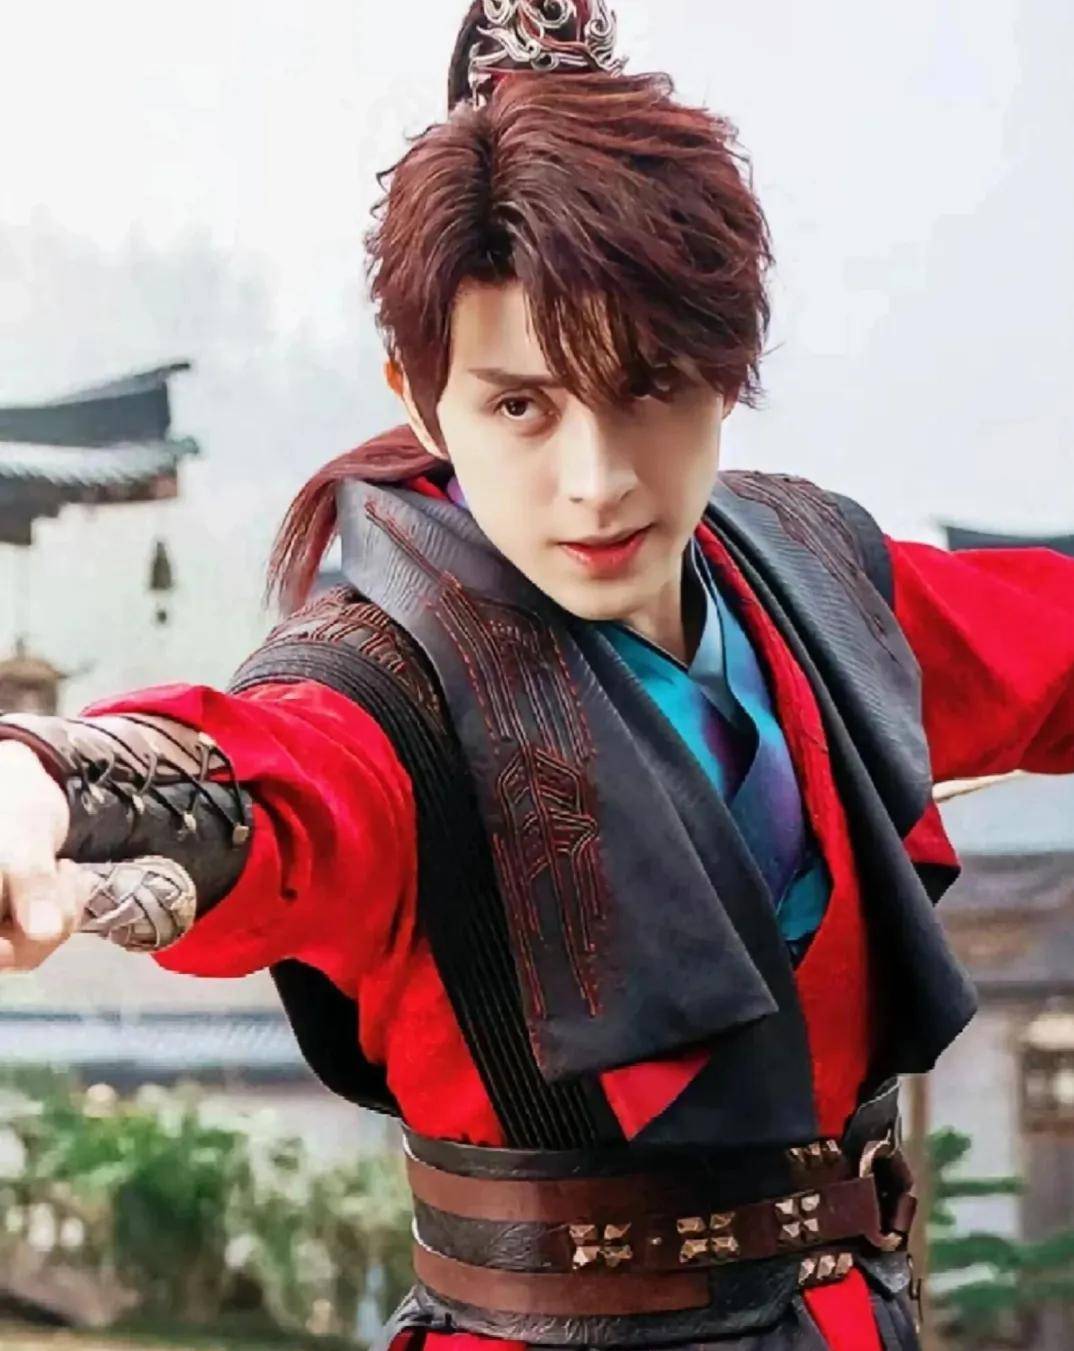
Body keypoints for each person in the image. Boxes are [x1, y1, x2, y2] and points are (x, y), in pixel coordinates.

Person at [1, 3, 1072, 1348]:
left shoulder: (812, 579)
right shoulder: (388, 691)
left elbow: (1048, 643)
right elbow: (261, 778)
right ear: (419, 398)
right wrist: (45, 785)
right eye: (520, 405)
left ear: (727, 374)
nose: (596, 479)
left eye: (650, 385)